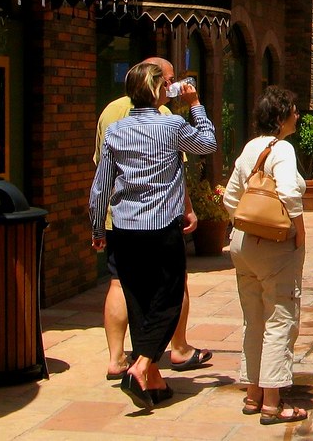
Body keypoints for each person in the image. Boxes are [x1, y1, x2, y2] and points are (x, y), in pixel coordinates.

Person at [89, 62, 217, 409]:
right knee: (169, 299)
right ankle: (142, 365)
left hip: (125, 229)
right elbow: (207, 143)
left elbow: (100, 187)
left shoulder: (116, 132)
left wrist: (98, 227)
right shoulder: (172, 125)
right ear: (159, 92)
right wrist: (195, 105)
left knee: (139, 300)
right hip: (161, 229)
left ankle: (155, 381)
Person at [222, 86, 309, 426]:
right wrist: (298, 230)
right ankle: (273, 402)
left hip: (242, 245)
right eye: (294, 110)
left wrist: (245, 224)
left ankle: (252, 392)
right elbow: (288, 191)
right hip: (273, 246)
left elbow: (231, 198)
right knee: (280, 317)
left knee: (253, 317)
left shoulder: (249, 149)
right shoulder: (283, 149)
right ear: (281, 116)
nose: (298, 115)